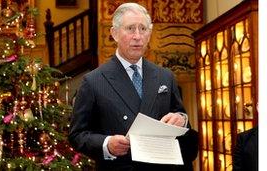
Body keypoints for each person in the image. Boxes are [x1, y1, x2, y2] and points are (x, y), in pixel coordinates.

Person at [68, 3, 198, 171]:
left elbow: (180, 116)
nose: (138, 36)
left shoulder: (165, 76)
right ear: (114, 34)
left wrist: (182, 119)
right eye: (130, 28)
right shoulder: (93, 81)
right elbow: (77, 135)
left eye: (143, 29)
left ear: (149, 34)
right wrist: (107, 144)